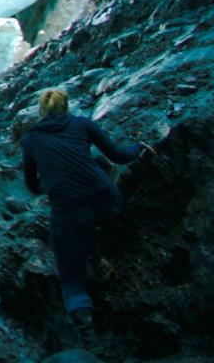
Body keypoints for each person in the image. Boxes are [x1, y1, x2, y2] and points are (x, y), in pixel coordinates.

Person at [21, 89, 153, 334]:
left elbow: (30, 184)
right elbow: (120, 156)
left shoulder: (31, 139)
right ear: (66, 107)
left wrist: (48, 186)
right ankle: (98, 261)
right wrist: (139, 147)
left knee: (70, 275)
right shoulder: (82, 125)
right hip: (106, 199)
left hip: (68, 209)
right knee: (95, 225)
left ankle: (86, 326)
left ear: (41, 111)